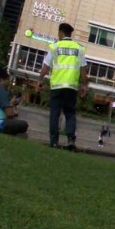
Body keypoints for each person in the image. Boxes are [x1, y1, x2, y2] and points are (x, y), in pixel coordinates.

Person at [38, 22, 87, 150]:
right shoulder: (79, 49)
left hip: (57, 86)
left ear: (60, 33)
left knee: (55, 114)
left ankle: (54, 142)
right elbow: (83, 69)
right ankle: (70, 139)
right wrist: (84, 85)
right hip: (71, 87)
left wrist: (40, 80)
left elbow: (46, 66)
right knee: (70, 113)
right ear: (70, 34)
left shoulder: (55, 47)